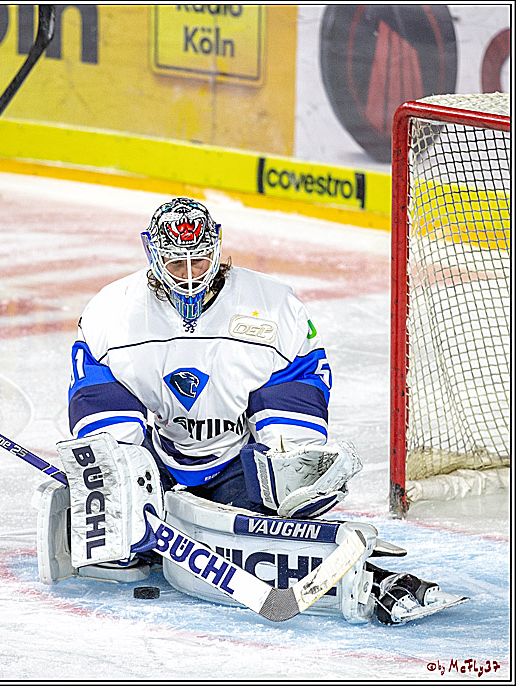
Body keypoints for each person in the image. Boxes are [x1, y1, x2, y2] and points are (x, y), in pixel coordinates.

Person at [39, 197, 467, 625]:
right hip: (159, 461)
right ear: (152, 254)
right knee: (114, 543)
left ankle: (374, 580)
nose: (190, 277)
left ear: (217, 248)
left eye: (200, 260)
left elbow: (298, 380)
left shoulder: (272, 303)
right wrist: (117, 475)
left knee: (273, 519)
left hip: (238, 463)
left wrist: (288, 462)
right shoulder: (111, 312)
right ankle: (140, 530)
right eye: (176, 265)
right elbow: (98, 396)